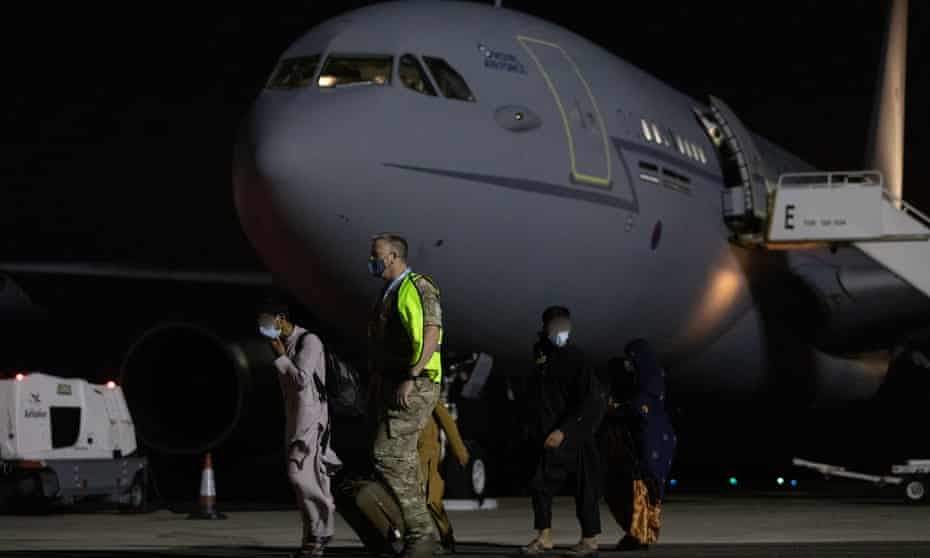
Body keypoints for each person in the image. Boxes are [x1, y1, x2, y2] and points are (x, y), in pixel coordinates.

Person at [367, 233, 444, 558]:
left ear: (394, 256)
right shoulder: (390, 292)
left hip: (418, 380)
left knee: (387, 455)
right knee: (406, 460)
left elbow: (431, 330)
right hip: (397, 381)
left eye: (376, 255)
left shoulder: (417, 286)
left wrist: (413, 374)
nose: (370, 261)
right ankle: (426, 535)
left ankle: (422, 533)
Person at [257, 297, 342, 558]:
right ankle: (312, 537)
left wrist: (280, 356)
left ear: (280, 318)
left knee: (300, 476)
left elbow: (302, 380)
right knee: (301, 482)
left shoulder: (309, 341)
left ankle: (324, 522)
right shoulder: (286, 342)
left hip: (312, 422)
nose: (263, 326)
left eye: (266, 320)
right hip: (295, 419)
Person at [522, 306, 602, 557]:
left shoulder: (577, 358)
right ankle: (544, 536)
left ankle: (589, 540)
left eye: (564, 326)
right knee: (540, 485)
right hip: (548, 434)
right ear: (546, 328)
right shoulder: (542, 355)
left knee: (585, 488)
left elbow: (590, 400)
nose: (561, 331)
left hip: (574, 434)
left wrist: (564, 431)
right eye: (555, 326)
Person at [602, 339, 676, 552]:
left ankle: (640, 534)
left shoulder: (649, 385)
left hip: (649, 441)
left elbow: (639, 410)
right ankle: (641, 533)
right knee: (640, 489)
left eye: (631, 358)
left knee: (641, 488)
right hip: (647, 441)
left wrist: (615, 409)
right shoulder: (643, 383)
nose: (628, 363)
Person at [418, 401, 470, 553]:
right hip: (405, 450)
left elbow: (447, 421)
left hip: (426, 452)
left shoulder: (427, 390)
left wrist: (460, 451)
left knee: (432, 499)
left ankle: (446, 540)